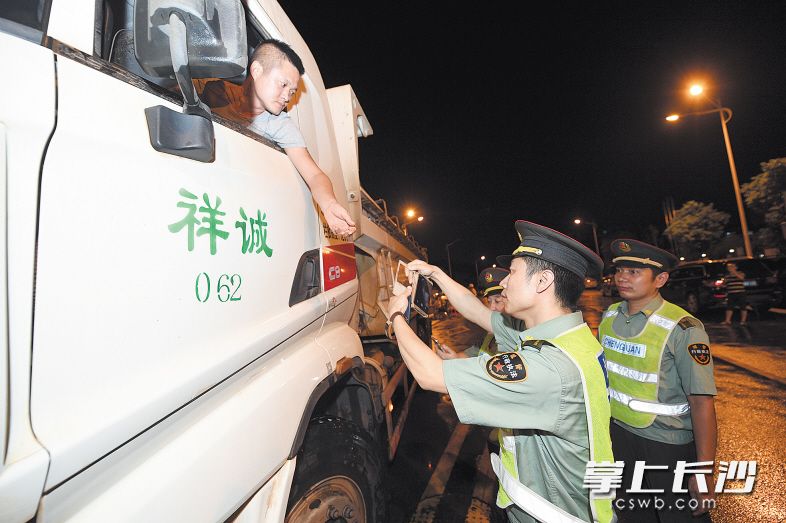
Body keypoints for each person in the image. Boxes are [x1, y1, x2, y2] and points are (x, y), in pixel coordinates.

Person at [387, 220, 614, 523]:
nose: (504, 283)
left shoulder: (549, 368)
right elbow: (475, 310)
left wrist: (395, 316)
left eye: (514, 274)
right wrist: (436, 273)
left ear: (543, 281)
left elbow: (431, 375)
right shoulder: (561, 337)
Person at [599, 239, 717, 522]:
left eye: (634, 272)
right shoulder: (610, 314)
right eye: (620, 271)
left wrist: (703, 471)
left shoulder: (683, 328)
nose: (622, 278)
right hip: (619, 438)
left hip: (667, 447)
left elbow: (701, 402)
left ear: (660, 279)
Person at [198, 39, 355, 236]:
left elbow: (315, 175)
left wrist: (329, 204)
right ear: (256, 70)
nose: (287, 96)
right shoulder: (213, 89)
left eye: (292, 91)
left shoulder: (280, 125)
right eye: (283, 84)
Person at [435, 266, 509, 359]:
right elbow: (469, 355)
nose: (491, 307)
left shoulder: (517, 336)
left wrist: (436, 273)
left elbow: (474, 310)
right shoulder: (490, 337)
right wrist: (454, 357)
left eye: (497, 301)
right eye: (489, 301)